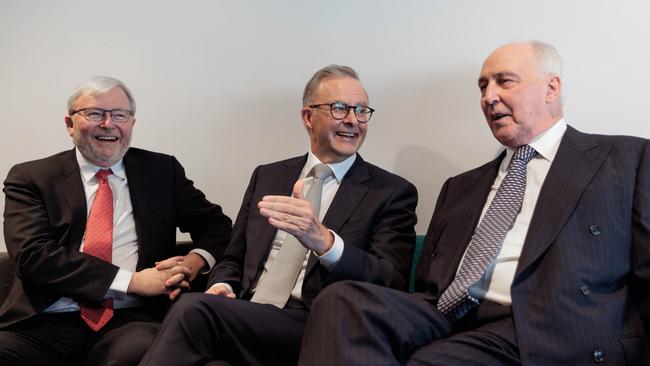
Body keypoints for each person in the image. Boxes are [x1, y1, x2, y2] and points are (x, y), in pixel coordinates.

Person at [298, 41, 650, 366]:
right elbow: (427, 284)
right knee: (340, 301)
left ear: (551, 87)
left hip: (543, 321)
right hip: (447, 312)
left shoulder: (625, 159)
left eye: (504, 82)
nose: (489, 97)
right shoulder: (461, 187)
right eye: (483, 86)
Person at [139, 65, 418, 366]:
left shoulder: (390, 192)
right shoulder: (268, 176)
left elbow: (391, 281)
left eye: (361, 110)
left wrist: (324, 242)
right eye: (339, 108)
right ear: (308, 117)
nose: (352, 120)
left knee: (194, 310)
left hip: (314, 323)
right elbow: (233, 258)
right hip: (247, 313)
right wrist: (223, 286)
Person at [0, 76, 232, 366]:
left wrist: (193, 262)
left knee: (140, 354)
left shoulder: (161, 171)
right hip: (44, 321)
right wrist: (131, 281)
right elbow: (33, 256)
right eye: (95, 113)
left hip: (131, 321)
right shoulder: (32, 177)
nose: (108, 124)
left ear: (132, 124)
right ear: (70, 125)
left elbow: (217, 227)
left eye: (119, 114)